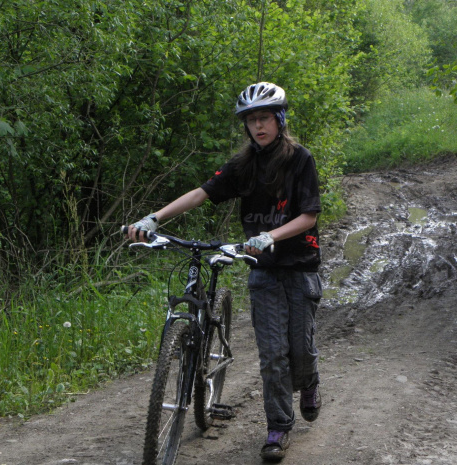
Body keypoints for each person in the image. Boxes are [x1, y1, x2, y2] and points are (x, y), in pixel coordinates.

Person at [128, 82, 323, 462]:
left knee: (300, 351)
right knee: (272, 356)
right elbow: (202, 192)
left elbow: (308, 216)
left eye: (264, 117)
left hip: (299, 266)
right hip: (262, 268)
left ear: (279, 120)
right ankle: (279, 427)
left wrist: (270, 234)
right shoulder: (244, 164)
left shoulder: (300, 159)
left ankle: (310, 382)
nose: (258, 126)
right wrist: (154, 218)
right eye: (251, 120)